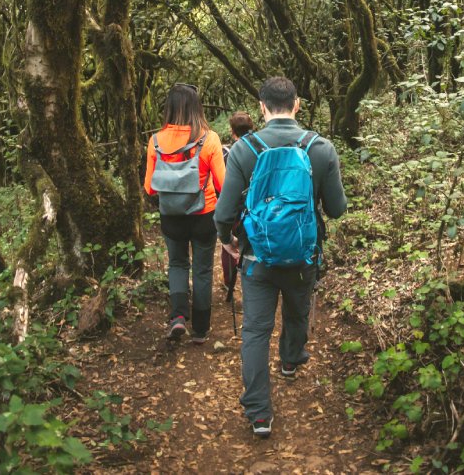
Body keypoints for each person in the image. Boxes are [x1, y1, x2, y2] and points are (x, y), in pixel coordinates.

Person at [214, 77, 347, 437]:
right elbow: (336, 209)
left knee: (256, 330)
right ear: (297, 104)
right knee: (297, 309)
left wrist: (226, 241)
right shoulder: (320, 148)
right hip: (304, 256)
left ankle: (259, 413)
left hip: (257, 258)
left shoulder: (245, 149)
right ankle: (290, 360)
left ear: (262, 106)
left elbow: (223, 212)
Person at [144, 83, 226, 343]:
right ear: (196, 107)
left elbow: (149, 188)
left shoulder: (156, 141)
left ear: (169, 108)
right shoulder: (209, 138)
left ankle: (178, 317)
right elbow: (223, 184)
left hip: (172, 217)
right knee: (202, 270)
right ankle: (200, 330)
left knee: (177, 264)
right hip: (204, 214)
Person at [220, 111, 255, 303]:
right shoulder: (261, 149)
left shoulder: (227, 153)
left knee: (228, 246)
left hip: (233, 208)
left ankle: (229, 282)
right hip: (253, 209)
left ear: (232, 132)